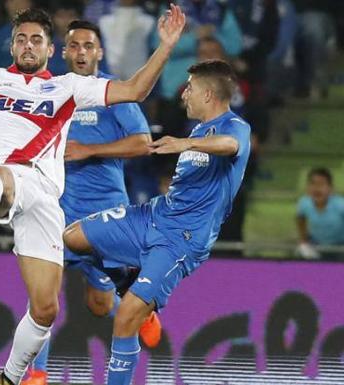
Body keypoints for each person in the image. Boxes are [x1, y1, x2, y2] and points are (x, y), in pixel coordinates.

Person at [0, 5, 186, 385]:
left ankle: (10, 377)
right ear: (12, 47)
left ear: (50, 50)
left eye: (36, 40)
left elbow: (135, 89)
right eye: (21, 39)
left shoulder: (68, 87)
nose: (28, 45)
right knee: (6, 175)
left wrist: (165, 47)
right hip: (14, 180)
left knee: (46, 309)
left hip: (50, 202)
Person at [62, 59, 251, 385]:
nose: (184, 95)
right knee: (73, 236)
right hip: (153, 215)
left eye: (190, 88)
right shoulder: (199, 128)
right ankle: (127, 282)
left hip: (180, 240)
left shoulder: (235, 127)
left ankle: (136, 310)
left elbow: (230, 146)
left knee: (124, 318)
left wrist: (185, 144)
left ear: (207, 94)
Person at [22, 20, 160, 385]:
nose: (81, 52)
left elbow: (143, 142)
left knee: (99, 305)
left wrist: (89, 150)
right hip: (57, 211)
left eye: (88, 45)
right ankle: (36, 373)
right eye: (75, 46)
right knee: (43, 294)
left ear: (99, 52)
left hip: (105, 215)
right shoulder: (51, 92)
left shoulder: (112, 94)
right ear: (63, 52)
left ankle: (140, 306)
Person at [296, 168, 344, 260]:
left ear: (330, 189)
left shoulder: (340, 204)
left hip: (340, 245)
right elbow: (300, 218)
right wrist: (303, 240)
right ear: (307, 187)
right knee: (298, 254)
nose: (316, 188)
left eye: (321, 184)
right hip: (316, 244)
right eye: (313, 184)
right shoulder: (304, 202)